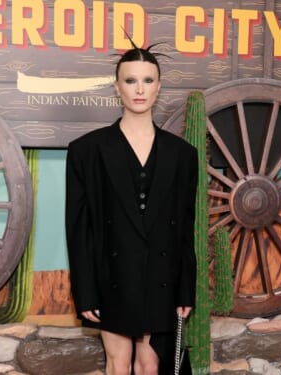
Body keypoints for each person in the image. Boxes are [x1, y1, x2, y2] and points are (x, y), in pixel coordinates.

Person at [65, 42, 198, 375]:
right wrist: (85, 291)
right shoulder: (86, 151)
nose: (140, 89)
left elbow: (185, 227)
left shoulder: (182, 155)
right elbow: (79, 229)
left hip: (161, 276)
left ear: (159, 87)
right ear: (117, 87)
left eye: (148, 80)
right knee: (118, 363)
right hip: (112, 276)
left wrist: (185, 288)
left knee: (150, 363)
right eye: (130, 81)